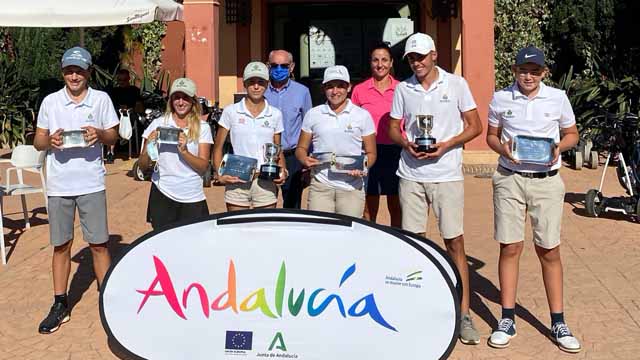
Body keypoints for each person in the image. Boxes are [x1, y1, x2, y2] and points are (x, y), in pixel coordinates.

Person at [387, 33, 483, 344]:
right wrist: (406, 143)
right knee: (414, 243)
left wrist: (446, 146)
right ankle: (418, 308)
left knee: (454, 242)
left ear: (434, 56)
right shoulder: (404, 88)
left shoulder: (456, 84)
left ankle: (464, 313)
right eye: (411, 58)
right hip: (411, 174)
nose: (416, 62)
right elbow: (393, 127)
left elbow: (474, 126)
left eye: (421, 57)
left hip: (446, 174)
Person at [486, 46, 581, 353]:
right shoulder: (501, 98)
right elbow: (491, 135)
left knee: (549, 250)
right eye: (523, 70)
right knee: (510, 246)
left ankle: (558, 322)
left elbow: (572, 133)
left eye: (534, 71)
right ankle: (507, 318)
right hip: (510, 179)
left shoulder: (557, 98)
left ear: (543, 72)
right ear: (514, 71)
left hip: (547, 182)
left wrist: (558, 148)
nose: (528, 76)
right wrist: (504, 149)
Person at [34, 46, 119, 334]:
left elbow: (113, 136)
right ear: (63, 72)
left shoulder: (101, 100)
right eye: (69, 70)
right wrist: (50, 141)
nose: (74, 75)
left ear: (88, 72)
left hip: (91, 183)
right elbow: (38, 141)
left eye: (79, 70)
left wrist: (100, 133)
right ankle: (60, 304)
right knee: (61, 245)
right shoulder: (50, 102)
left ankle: (108, 299)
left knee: (98, 244)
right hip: (59, 185)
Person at [295, 65, 377, 217]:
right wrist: (304, 159)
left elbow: (371, 152)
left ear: (349, 87)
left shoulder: (362, 115)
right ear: (324, 88)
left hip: (351, 187)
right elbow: (301, 148)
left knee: (348, 236)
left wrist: (363, 167)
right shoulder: (313, 114)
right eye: (330, 87)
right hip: (320, 186)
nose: (335, 91)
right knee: (320, 234)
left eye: (340, 86)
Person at [137, 77, 212, 230]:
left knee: (193, 245)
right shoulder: (158, 123)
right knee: (163, 246)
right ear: (171, 100)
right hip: (162, 193)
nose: (180, 102)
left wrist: (184, 151)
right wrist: (150, 146)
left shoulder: (203, 128)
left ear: (193, 101)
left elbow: (203, 167)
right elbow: (142, 165)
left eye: (185, 98)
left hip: (192, 195)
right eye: (176, 97)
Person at [213, 61, 287, 210]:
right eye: (251, 82)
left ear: (267, 84)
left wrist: (283, 170)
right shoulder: (230, 111)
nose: (256, 86)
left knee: (264, 229)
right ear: (245, 84)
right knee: (237, 228)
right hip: (236, 179)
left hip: (265, 180)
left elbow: (277, 149)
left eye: (260, 82)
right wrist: (219, 174)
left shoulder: (275, 114)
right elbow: (218, 147)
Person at [351, 42, 402, 227]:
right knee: (369, 205)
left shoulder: (401, 89)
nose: (380, 64)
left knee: (396, 205)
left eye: (384, 60)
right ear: (370, 63)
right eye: (375, 60)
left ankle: (398, 242)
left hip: (395, 151)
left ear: (391, 62)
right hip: (368, 152)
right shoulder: (359, 90)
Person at [264, 50, 313, 209]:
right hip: (265, 155)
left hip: (292, 156)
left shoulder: (302, 92)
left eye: (284, 66)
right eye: (274, 65)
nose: (279, 69)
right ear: (268, 66)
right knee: (265, 200)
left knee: (292, 204)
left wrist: (307, 158)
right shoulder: (260, 91)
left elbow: (309, 125)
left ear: (291, 67)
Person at [105, 69, 143, 163]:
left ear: (129, 79)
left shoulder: (134, 91)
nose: (122, 82)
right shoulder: (114, 91)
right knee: (111, 123)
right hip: (116, 115)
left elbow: (139, 106)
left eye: (124, 80)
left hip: (130, 115)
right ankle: (110, 152)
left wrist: (129, 109)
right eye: (120, 80)